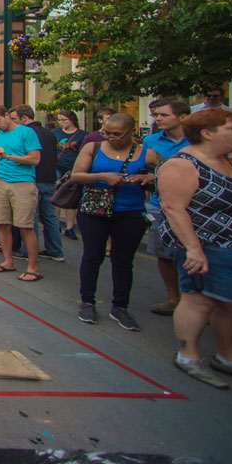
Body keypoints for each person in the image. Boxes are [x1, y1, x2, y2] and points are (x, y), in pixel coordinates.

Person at [157, 109, 232, 389]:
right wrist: (193, 248)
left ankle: (228, 358)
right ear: (208, 133)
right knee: (200, 300)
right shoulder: (182, 164)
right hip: (210, 246)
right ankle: (188, 355)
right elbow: (173, 208)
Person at [70, 112, 160, 331]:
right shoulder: (93, 148)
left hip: (130, 210)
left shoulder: (147, 153)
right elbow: (76, 175)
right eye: (107, 133)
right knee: (93, 256)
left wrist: (149, 178)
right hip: (94, 209)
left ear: (131, 132)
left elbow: (166, 174)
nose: (111, 137)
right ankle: (87, 301)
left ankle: (120, 306)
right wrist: (103, 176)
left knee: (123, 260)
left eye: (117, 134)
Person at [0, 104, 43, 282]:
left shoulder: (26, 133)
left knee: (25, 226)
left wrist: (8, 156)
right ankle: (7, 261)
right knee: (2, 223)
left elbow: (35, 159)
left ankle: (33, 267)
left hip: (22, 182)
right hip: (0, 181)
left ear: (7, 115)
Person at [144, 98, 192, 316]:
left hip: (193, 205)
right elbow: (145, 169)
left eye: (164, 115)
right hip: (159, 204)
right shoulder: (152, 140)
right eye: (156, 115)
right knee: (164, 254)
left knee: (192, 253)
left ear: (182, 117)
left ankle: (196, 301)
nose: (158, 118)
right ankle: (174, 298)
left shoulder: (196, 140)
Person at [14, 105, 65, 262]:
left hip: (33, 178)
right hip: (49, 178)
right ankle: (55, 250)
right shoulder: (49, 134)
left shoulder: (26, 133)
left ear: (24, 118)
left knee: (30, 218)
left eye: (15, 119)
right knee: (49, 217)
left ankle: (28, 251)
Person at [54, 110, 86, 239]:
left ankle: (70, 227)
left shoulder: (82, 135)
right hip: (57, 166)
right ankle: (55, 224)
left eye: (64, 120)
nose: (61, 123)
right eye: (60, 120)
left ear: (72, 119)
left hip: (72, 168)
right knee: (56, 195)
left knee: (70, 197)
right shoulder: (56, 133)